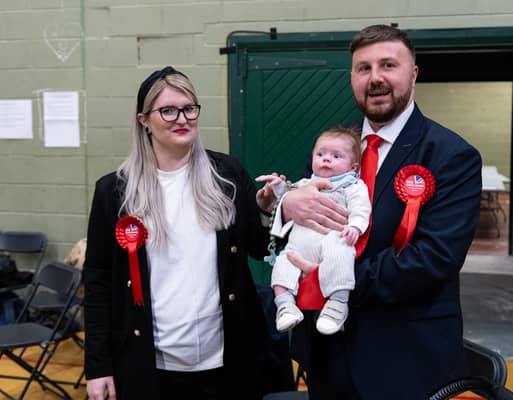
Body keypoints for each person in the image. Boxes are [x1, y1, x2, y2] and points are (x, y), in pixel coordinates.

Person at [275, 25, 483, 399]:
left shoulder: (451, 155)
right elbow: (309, 222)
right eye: (364, 68)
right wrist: (282, 207)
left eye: (388, 65)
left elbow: (434, 259)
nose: (376, 79)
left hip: (406, 358)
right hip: (328, 354)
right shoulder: (335, 145)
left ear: (413, 74)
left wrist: (330, 278)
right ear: (352, 77)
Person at [83, 66, 276, 400]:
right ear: (144, 120)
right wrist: (98, 366)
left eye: (189, 108)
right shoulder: (114, 191)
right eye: (168, 110)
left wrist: (264, 210)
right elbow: (98, 282)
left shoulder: (227, 175)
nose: (181, 118)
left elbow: (260, 249)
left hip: (227, 359)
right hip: (149, 363)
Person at [256, 128, 371, 335]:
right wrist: (278, 187)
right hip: (301, 241)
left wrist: (355, 226)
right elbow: (287, 195)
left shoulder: (353, 186)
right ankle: (285, 305)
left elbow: (361, 209)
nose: (326, 160)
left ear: (353, 167)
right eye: (321, 154)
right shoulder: (305, 183)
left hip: (334, 237)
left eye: (336, 156)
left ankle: (337, 304)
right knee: (283, 262)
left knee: (341, 256)